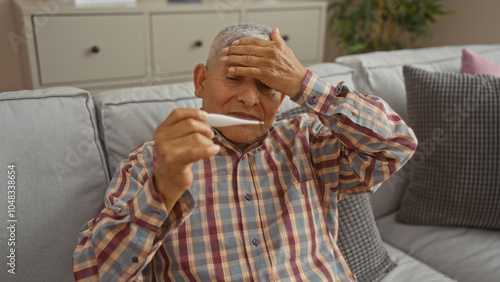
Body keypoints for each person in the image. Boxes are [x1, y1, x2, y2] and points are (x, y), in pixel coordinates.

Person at [73, 23, 417, 281]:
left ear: (282, 98)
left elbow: (397, 145)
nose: (250, 99)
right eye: (234, 79)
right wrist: (162, 190)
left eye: (267, 86)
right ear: (200, 81)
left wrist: (304, 83)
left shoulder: (309, 141)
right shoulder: (151, 162)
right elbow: (93, 274)